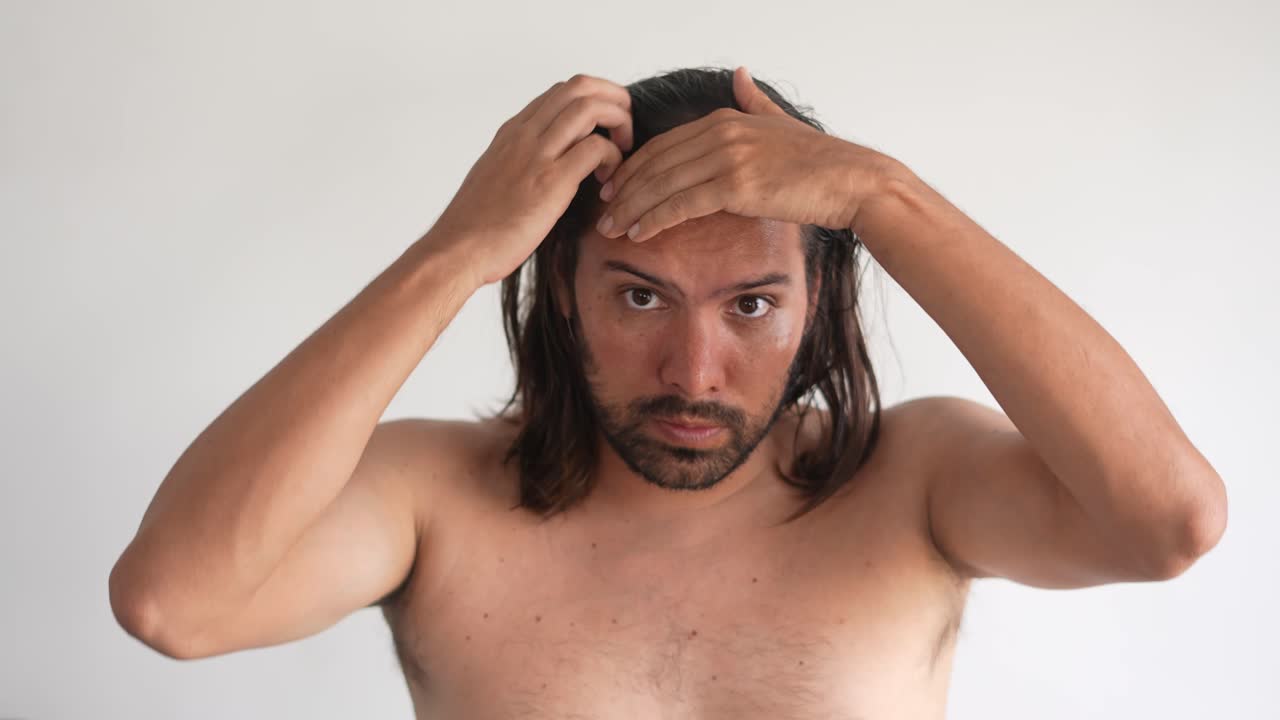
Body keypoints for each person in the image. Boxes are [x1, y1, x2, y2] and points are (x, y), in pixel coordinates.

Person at [109, 66, 1227, 718]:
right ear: (558, 291)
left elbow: (1167, 520)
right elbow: (175, 603)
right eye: (640, 298)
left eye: (749, 304)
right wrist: (452, 252)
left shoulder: (916, 482)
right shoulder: (433, 498)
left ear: (816, 305)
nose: (693, 375)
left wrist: (885, 198)